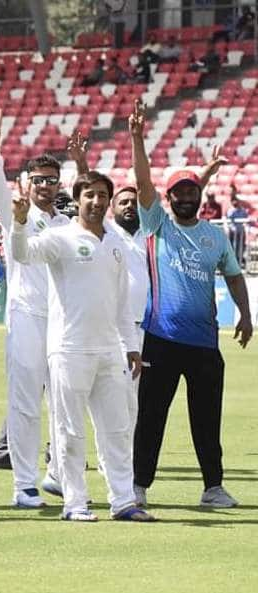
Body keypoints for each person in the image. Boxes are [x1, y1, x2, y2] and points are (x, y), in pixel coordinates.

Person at [128, 100, 253, 508]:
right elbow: (144, 183)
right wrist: (136, 137)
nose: (185, 197)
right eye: (178, 192)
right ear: (169, 199)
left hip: (204, 344)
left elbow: (234, 276)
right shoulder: (156, 224)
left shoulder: (214, 236)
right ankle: (138, 486)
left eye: (191, 191)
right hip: (160, 340)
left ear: (199, 195)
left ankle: (212, 487)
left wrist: (246, 316)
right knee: (151, 417)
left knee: (206, 420)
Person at [11, 170, 153, 522]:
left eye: (103, 195)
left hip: (108, 349)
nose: (97, 201)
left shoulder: (116, 243)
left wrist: (131, 345)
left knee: (117, 430)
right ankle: (75, 503)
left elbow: (122, 304)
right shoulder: (61, 237)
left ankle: (122, 501)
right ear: (77, 199)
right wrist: (18, 222)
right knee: (69, 431)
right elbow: (23, 254)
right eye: (90, 195)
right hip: (68, 349)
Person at [0, 108, 72, 508]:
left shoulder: (66, 224)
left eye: (52, 181)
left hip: (62, 322)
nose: (46, 187)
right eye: (38, 180)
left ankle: (60, 476)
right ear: (26, 184)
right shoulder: (15, 215)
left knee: (64, 404)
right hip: (26, 318)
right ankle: (23, 485)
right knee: (24, 404)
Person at [109, 186, 149, 445]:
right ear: (112, 208)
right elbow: (87, 188)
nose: (128, 206)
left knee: (134, 395)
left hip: (146, 327)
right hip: (114, 327)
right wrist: (80, 162)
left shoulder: (151, 234)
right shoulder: (107, 231)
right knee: (112, 393)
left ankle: (126, 452)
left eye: (133, 202)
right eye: (122, 202)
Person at [227, 192, 250, 266]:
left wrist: (245, 224)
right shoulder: (231, 211)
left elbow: (246, 220)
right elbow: (229, 221)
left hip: (241, 232)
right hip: (233, 233)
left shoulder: (243, 210)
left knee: (240, 247)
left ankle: (239, 262)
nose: (237, 202)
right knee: (233, 247)